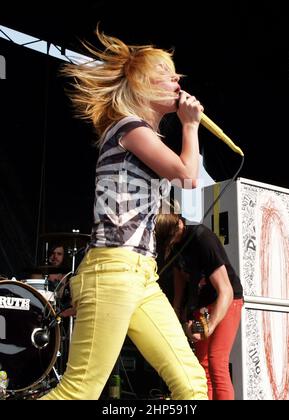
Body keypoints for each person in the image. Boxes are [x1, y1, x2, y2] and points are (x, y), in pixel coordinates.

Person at [40, 27, 208, 400]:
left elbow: (185, 176)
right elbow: (186, 177)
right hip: (112, 270)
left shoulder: (143, 134)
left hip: (142, 275)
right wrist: (191, 125)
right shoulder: (128, 127)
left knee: (193, 386)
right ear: (143, 83)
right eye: (167, 73)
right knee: (78, 391)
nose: (177, 79)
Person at [155, 213, 243, 400]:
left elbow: (225, 291)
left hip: (226, 300)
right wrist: (178, 307)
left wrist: (210, 326)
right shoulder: (175, 243)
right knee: (201, 365)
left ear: (180, 223)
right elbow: (180, 272)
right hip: (202, 304)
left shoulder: (202, 238)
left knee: (216, 361)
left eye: (172, 236)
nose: (171, 242)